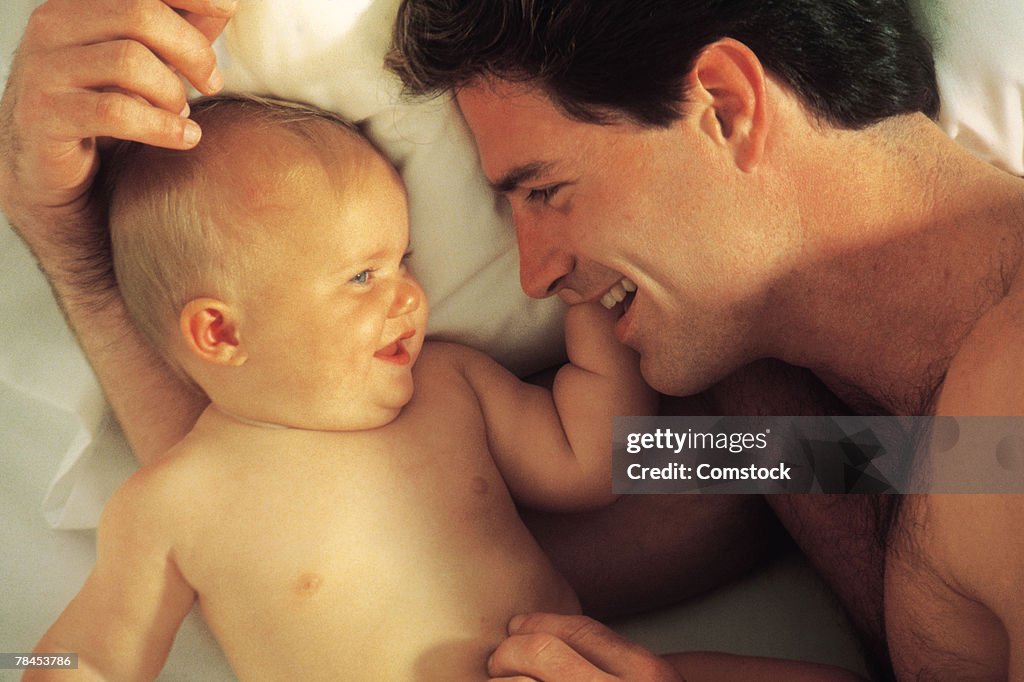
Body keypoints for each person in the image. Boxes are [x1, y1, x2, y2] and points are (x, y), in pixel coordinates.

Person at [385, 1, 1024, 680]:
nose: (535, 276)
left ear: (726, 106)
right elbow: (451, 541)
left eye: (546, 190)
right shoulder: (819, 430)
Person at [22, 93, 655, 680]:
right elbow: (90, 661)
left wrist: (593, 299)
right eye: (360, 276)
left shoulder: (449, 385)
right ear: (220, 332)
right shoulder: (171, 505)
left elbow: (599, 461)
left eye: (402, 260)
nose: (408, 295)